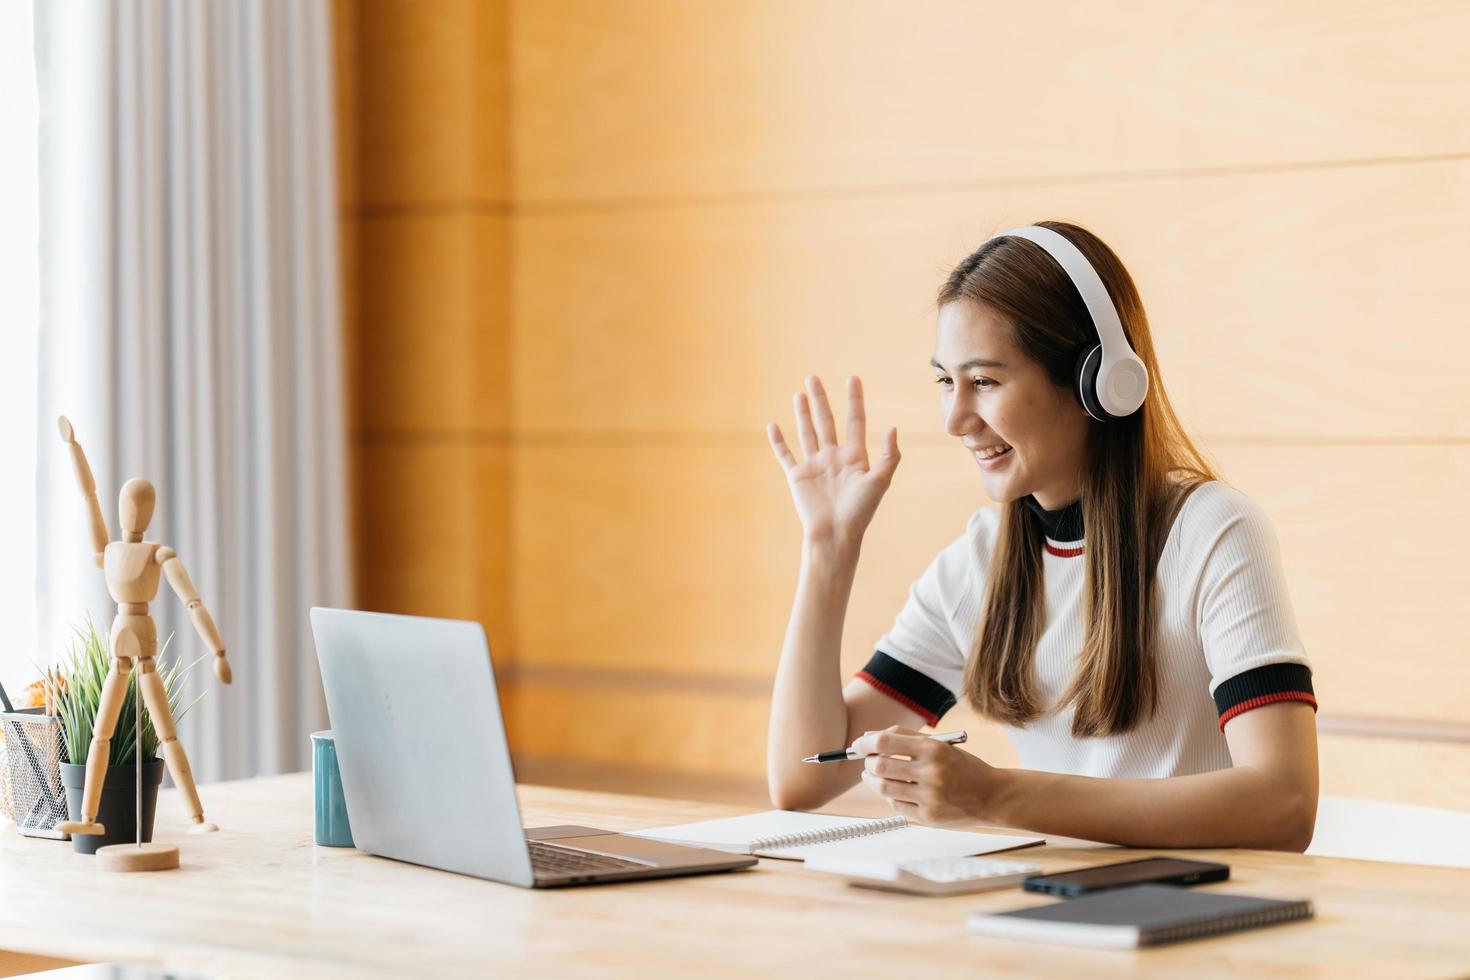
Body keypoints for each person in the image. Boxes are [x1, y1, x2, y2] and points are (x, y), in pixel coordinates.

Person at [763, 221, 1318, 851]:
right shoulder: (980, 558)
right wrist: (829, 549)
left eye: (986, 382)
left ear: (1098, 384)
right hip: (1047, 903)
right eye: (947, 381)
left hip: (1197, 912)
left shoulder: (1212, 531)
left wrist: (995, 795)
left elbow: (1284, 804)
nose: (955, 419)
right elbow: (802, 780)